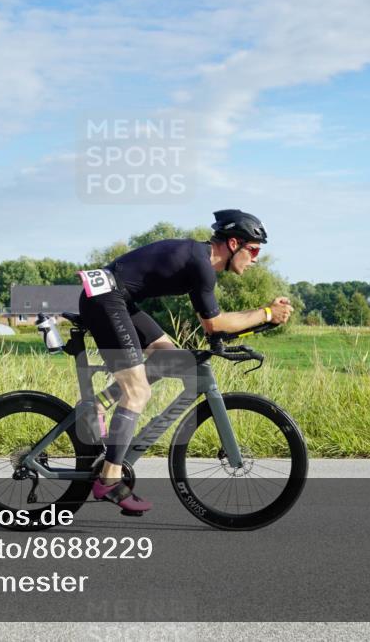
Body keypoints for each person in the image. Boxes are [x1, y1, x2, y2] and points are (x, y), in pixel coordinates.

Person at [77, 209, 294, 514]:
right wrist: (268, 314)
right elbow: (214, 324)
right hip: (105, 299)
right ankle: (109, 479)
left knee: (171, 358)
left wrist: (260, 319)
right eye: (254, 250)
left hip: (116, 298)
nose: (256, 258)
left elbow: (213, 324)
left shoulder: (199, 262)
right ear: (233, 244)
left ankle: (99, 405)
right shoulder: (201, 266)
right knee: (138, 392)